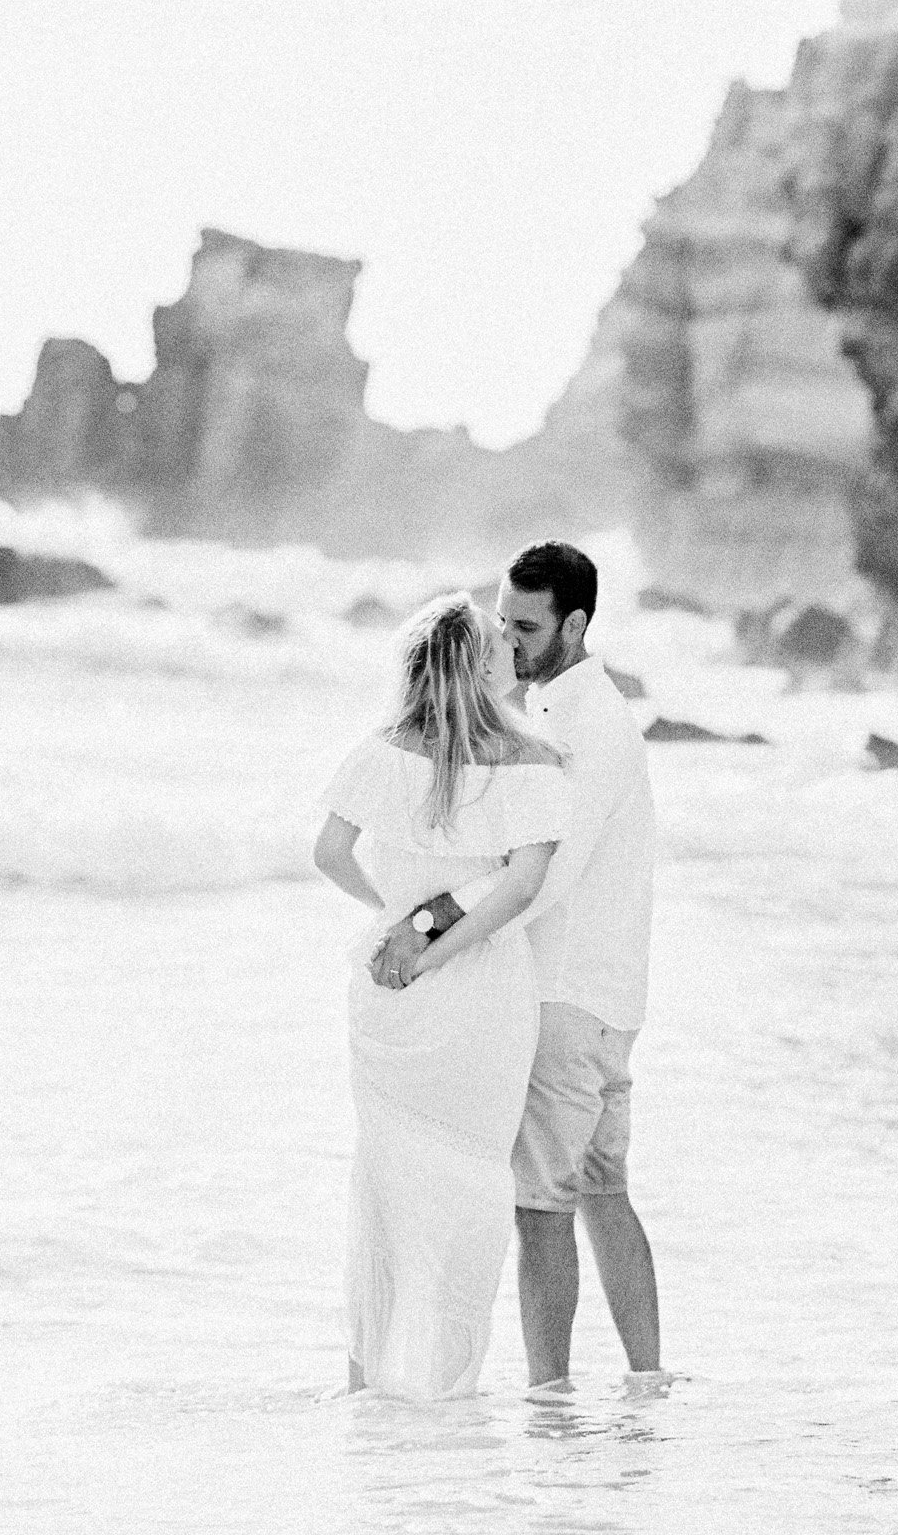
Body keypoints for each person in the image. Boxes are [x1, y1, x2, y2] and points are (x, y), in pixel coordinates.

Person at [370, 541, 661, 1386]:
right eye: (502, 621)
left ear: (574, 624)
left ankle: (550, 1396)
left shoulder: (580, 726)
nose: (510, 640)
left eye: (527, 627)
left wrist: (426, 927)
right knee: (604, 1193)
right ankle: (646, 1382)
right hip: (607, 1000)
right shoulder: (581, 714)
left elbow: (540, 877)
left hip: (567, 999)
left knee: (543, 1212)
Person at [313, 592, 571, 1401]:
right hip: (482, 995)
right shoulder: (532, 759)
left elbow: (328, 854)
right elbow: (521, 889)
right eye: (498, 641)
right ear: (480, 664)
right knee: (472, 1178)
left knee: (383, 1182)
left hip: (389, 992)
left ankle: (366, 1383)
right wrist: (437, 946)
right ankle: (448, 1382)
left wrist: (399, 923)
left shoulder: (378, 750)